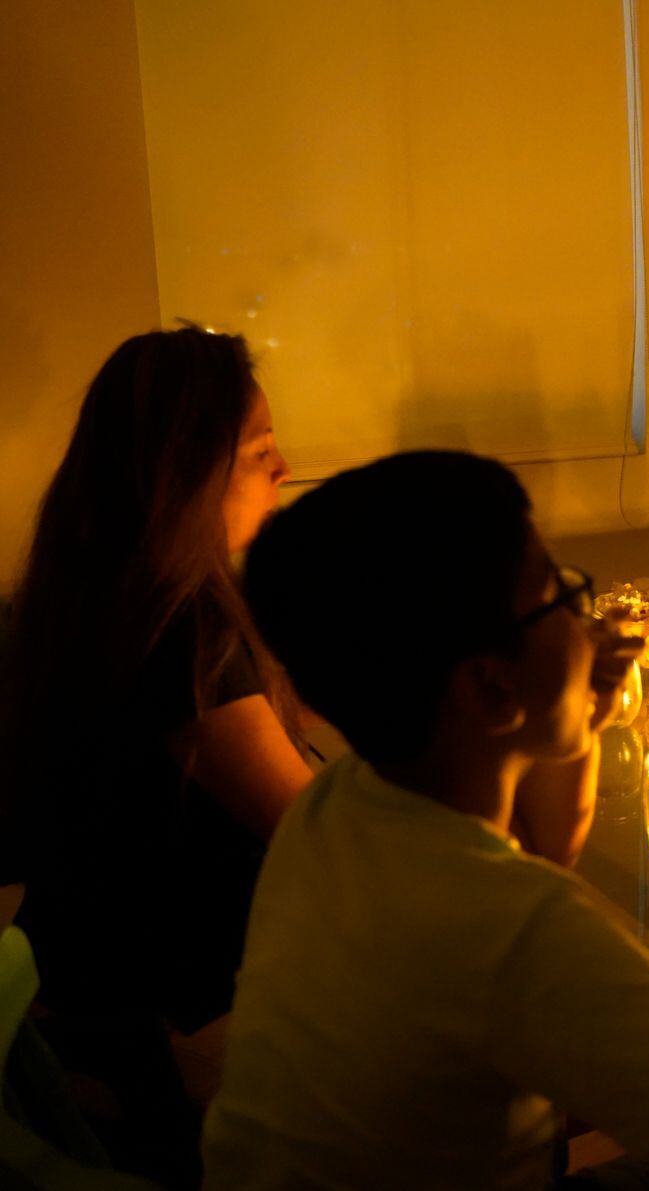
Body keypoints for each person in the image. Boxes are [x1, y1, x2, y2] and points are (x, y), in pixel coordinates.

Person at [203, 451, 649, 1189]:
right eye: (561, 596)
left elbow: (541, 854)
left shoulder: (338, 805)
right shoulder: (520, 931)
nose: (587, 621)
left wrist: (592, 700)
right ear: (490, 686)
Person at [0, 327, 310, 1184]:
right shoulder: (183, 630)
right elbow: (321, 829)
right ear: (188, 473)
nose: (284, 469)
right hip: (163, 1033)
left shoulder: (95, 592)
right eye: (260, 451)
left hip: (74, 996)